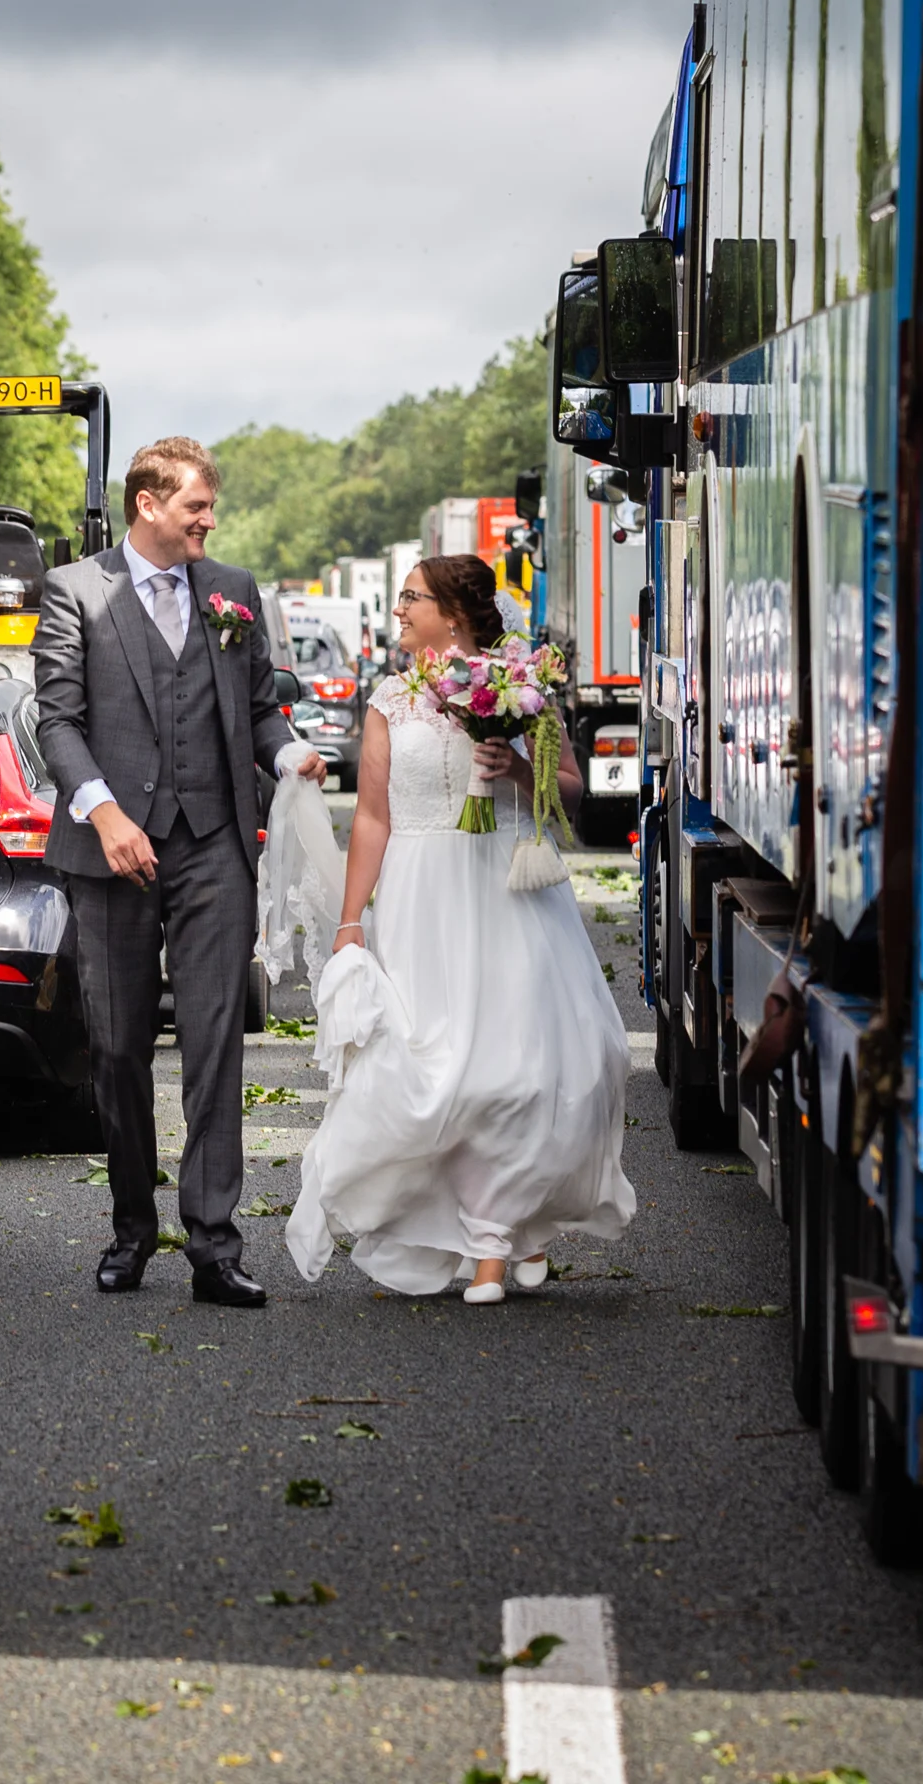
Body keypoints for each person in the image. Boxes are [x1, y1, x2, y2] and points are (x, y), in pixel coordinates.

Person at [285, 555, 635, 1304]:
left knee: (522, 1070)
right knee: (434, 1071)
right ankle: (493, 1229)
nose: (402, 607)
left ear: (455, 613)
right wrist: (352, 921)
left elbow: (570, 793)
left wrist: (513, 768)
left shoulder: (522, 689)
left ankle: (496, 1239)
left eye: (414, 597)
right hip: (419, 900)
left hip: (504, 891)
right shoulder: (386, 700)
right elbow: (373, 818)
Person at [33, 437, 325, 1309]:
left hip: (213, 847)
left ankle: (214, 1244)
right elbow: (57, 721)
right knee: (119, 1049)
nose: (209, 519)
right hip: (111, 850)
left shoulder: (234, 592)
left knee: (214, 1046)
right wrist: (106, 811)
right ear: (147, 506)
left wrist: (290, 758)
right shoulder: (74, 593)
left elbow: (262, 710)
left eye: (210, 507)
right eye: (196, 505)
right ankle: (131, 1228)